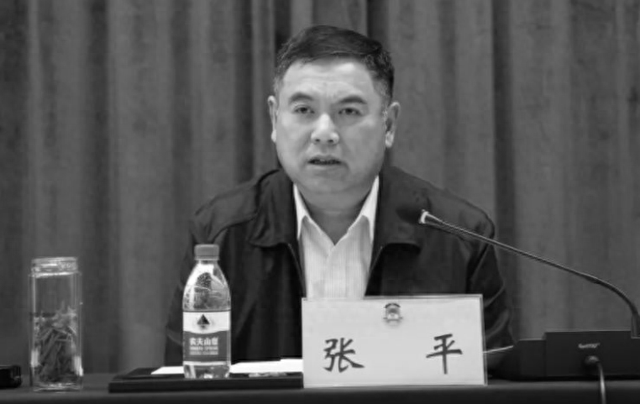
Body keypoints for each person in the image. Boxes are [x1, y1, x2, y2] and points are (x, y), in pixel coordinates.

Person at [164, 25, 512, 365]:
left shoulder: (460, 238)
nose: (324, 133)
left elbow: (494, 383)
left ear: (389, 125)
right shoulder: (221, 235)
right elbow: (187, 382)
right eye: (304, 110)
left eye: (348, 111)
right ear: (274, 118)